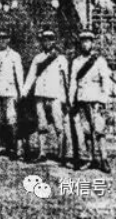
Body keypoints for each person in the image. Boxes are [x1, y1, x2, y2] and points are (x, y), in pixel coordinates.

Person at [69, 30, 112, 173]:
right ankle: (91, 158)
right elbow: (73, 82)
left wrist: (103, 99)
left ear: (92, 43)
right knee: (86, 131)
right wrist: (71, 99)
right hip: (82, 99)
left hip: (96, 100)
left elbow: (105, 80)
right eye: (83, 41)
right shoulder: (76, 62)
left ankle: (104, 159)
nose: (85, 44)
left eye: (88, 41)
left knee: (99, 130)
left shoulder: (99, 61)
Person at [23, 29, 69, 163]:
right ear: (42, 42)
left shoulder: (60, 59)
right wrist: (24, 92)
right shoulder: (38, 58)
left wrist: (65, 97)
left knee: (58, 125)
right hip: (40, 94)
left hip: (55, 95)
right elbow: (31, 76)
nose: (47, 42)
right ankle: (42, 153)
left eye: (50, 40)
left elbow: (65, 79)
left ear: (54, 41)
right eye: (45, 40)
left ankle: (61, 154)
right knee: (41, 124)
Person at [0, 30, 24, 159]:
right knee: (0, 120)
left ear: (8, 40)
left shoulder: (14, 55)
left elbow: (19, 75)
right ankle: (3, 146)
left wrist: (21, 92)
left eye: (5, 38)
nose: (2, 40)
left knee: (11, 119)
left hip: (10, 91)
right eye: (0, 38)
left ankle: (16, 148)